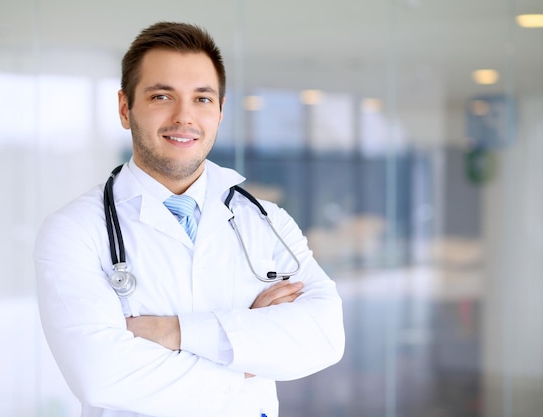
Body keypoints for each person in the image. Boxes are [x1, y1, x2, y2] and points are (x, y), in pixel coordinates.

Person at [34, 21, 344, 417]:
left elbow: (324, 337)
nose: (185, 117)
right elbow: (102, 376)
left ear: (219, 111)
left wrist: (174, 331)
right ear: (125, 109)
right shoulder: (75, 230)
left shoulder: (266, 220)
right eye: (162, 96)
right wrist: (248, 360)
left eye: (202, 99)